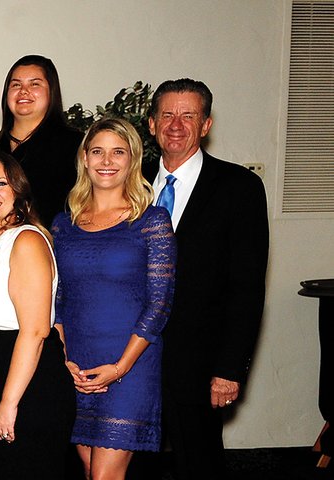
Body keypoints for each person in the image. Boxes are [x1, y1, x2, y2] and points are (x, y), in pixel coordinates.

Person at [140, 79, 268, 479]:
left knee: (198, 463)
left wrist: (230, 368)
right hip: (134, 357)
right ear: (151, 124)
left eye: (188, 115)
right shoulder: (131, 183)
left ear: (207, 124)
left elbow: (247, 287)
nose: (176, 125)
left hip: (200, 363)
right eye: (167, 115)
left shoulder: (239, 188)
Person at [52, 118, 175, 479]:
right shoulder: (64, 223)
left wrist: (120, 367)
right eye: (98, 151)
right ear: (84, 160)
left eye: (118, 152)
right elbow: (57, 300)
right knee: (93, 472)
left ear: (133, 159)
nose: (107, 160)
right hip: (76, 366)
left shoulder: (152, 221)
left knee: (104, 475)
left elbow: (159, 305)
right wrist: (63, 361)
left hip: (131, 368)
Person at [0, 152, 74, 479]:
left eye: (0, 184)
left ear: (18, 192)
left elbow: (36, 331)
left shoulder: (26, 240)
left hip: (26, 387)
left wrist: (9, 403)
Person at [0, 55, 82, 227]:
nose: (23, 91)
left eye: (34, 84)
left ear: (52, 91)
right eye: (16, 85)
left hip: (51, 245)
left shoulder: (74, 144)